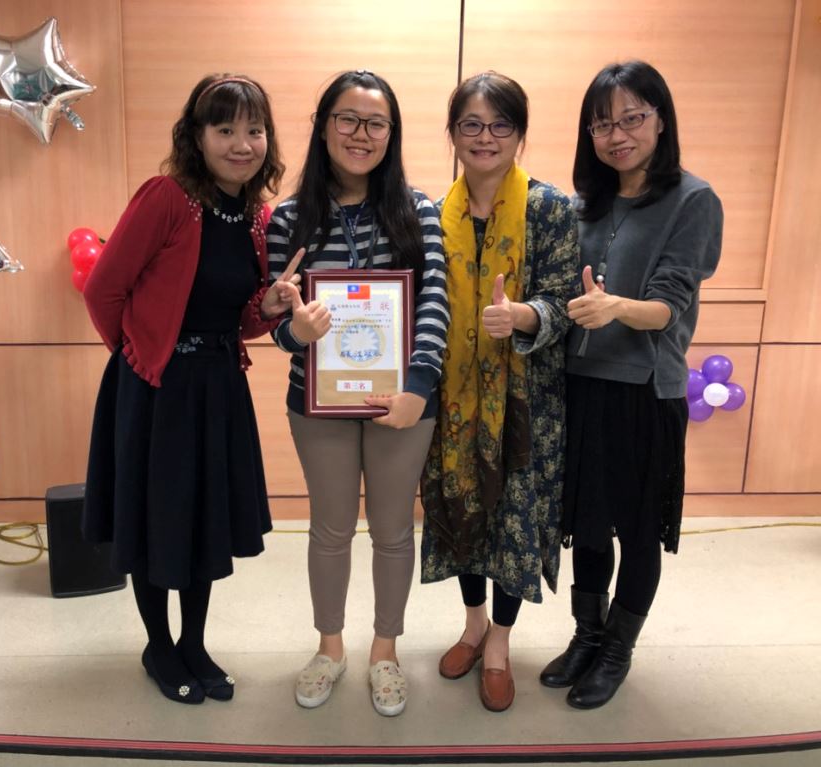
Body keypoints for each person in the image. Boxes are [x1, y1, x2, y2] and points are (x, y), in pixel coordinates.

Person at [81, 74, 297, 706]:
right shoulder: (168, 198)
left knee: (203, 520)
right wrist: (136, 356)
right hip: (155, 388)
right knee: (156, 520)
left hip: (218, 387)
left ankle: (194, 644)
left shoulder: (255, 218)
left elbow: (240, 319)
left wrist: (269, 306)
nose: (241, 144)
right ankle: (159, 646)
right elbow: (103, 289)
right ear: (196, 137)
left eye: (254, 130)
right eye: (225, 129)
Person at [540, 60, 723, 709]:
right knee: (588, 523)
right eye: (601, 124)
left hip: (646, 391)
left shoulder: (693, 200)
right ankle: (587, 635)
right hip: (581, 383)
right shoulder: (583, 204)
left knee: (639, 529)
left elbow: (670, 305)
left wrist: (615, 306)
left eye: (631, 118)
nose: (617, 135)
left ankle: (617, 648)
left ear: (660, 120)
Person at [267, 69, 448, 717]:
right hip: (318, 402)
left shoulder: (418, 210)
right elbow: (275, 320)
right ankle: (330, 647)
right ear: (324, 127)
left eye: (376, 123)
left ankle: (385, 651)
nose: (360, 134)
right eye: (347, 119)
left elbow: (435, 300)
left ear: (391, 135)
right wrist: (295, 329)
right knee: (330, 529)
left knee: (395, 531)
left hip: (403, 402)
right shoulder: (289, 218)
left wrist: (419, 385)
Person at [419, 72, 579, 712]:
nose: (485, 137)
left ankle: (499, 644)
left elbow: (566, 302)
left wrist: (525, 316)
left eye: (500, 125)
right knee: (464, 509)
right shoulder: (435, 215)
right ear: (453, 133)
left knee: (513, 520)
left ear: (519, 133)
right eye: (471, 125)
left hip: (525, 403)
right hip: (453, 399)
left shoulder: (550, 209)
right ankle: (472, 624)